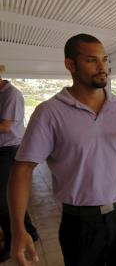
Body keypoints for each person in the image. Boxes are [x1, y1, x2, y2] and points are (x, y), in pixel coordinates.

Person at [7, 33, 116, 266]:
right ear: (70, 64)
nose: (102, 67)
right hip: (81, 223)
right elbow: (22, 171)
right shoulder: (50, 113)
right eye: (91, 60)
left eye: (104, 60)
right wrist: (18, 229)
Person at [0, 77, 38, 263]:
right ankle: (29, 230)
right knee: (10, 195)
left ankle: (10, 242)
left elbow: (5, 127)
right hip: (3, 149)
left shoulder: (11, 94)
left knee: (1, 200)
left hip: (8, 150)